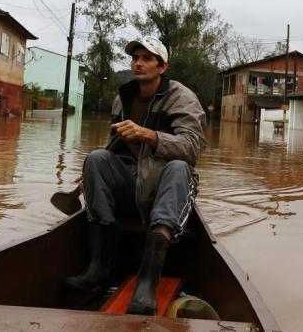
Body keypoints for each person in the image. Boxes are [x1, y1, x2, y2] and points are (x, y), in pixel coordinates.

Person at [65, 35, 207, 316]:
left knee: (179, 167)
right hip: (132, 186)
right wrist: (93, 177)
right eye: (135, 58)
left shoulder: (182, 97)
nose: (138, 63)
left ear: (162, 67)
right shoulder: (124, 97)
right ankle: (98, 268)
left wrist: (150, 135)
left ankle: (148, 280)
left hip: (166, 190)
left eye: (146, 58)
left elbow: (192, 147)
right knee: (95, 159)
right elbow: (115, 146)